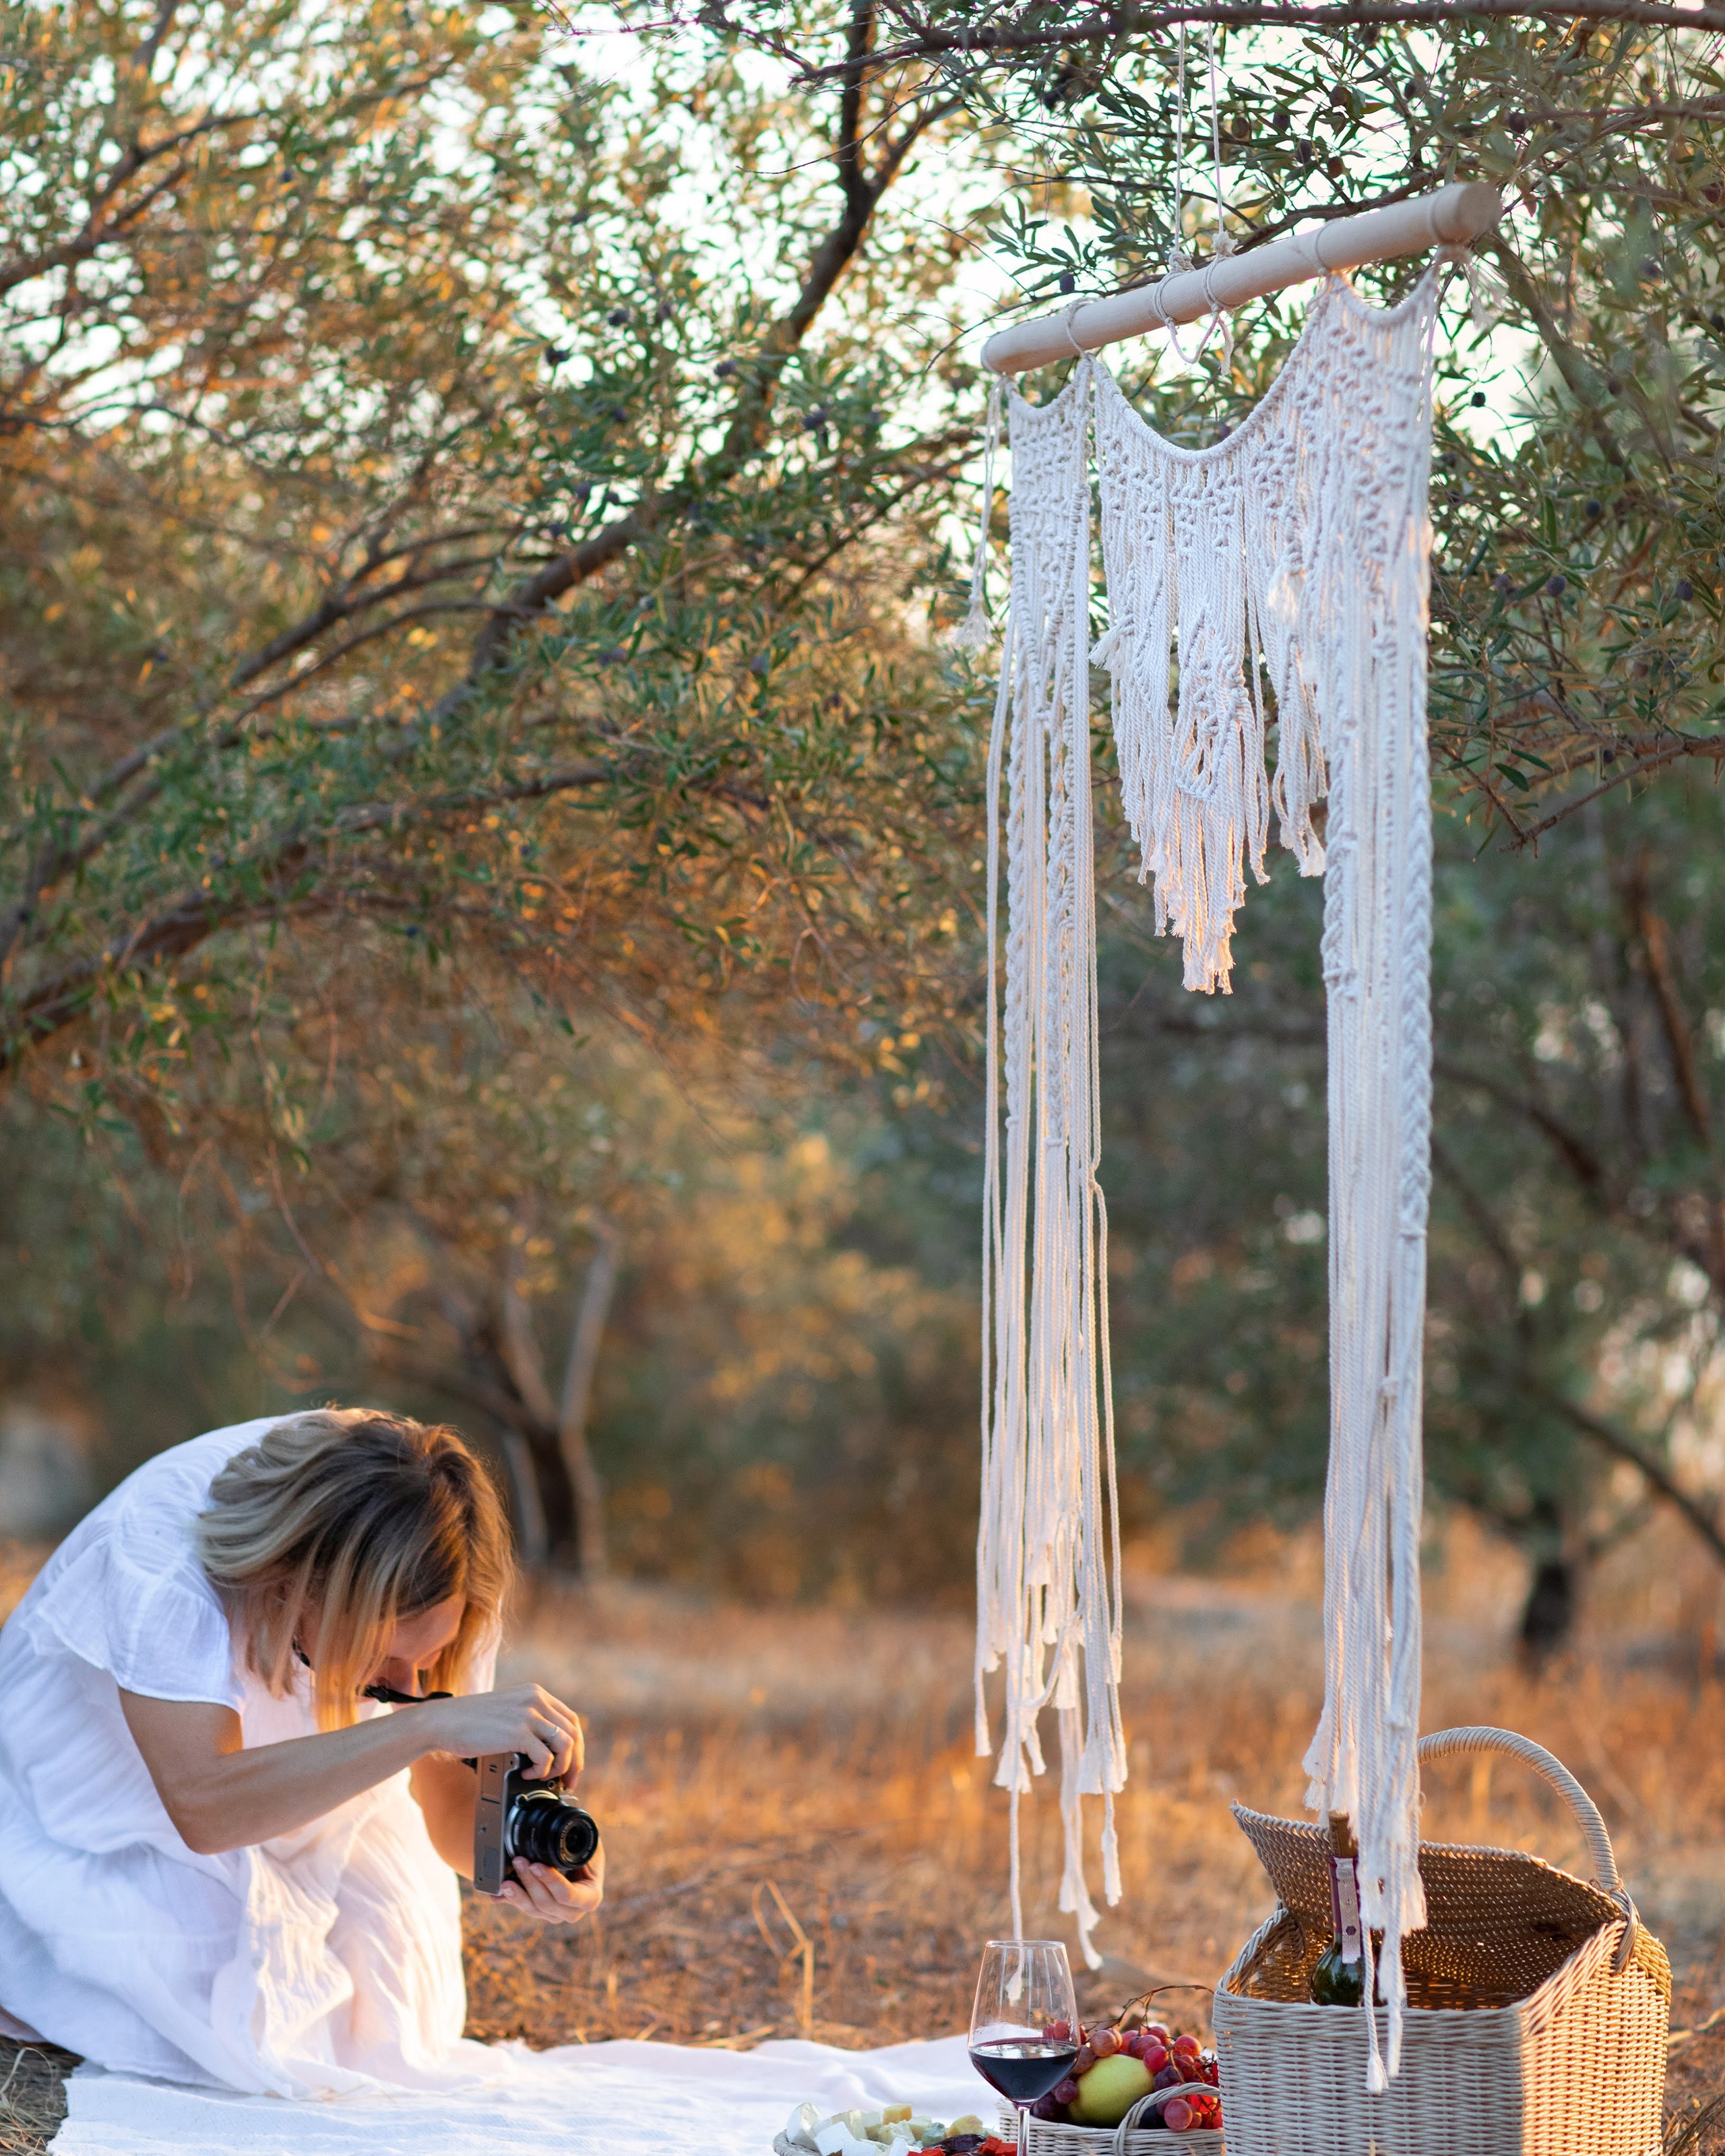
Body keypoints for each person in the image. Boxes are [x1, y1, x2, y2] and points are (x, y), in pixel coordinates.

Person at [0, 1409, 603, 2096]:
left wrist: (534, 1856)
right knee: (194, 1965)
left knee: (395, 2001)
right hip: (115, 1783)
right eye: (384, 1655)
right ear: (294, 1586)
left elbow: (445, 1807)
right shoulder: (164, 1564)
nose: (407, 1688)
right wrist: (424, 1729)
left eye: (427, 1659)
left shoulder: (445, 1562)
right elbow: (205, 1808)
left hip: (312, 1774)